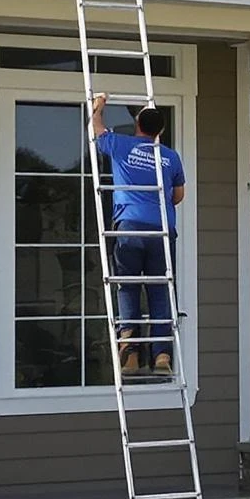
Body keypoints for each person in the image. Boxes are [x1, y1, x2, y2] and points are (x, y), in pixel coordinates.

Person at [88, 94, 185, 378]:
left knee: (128, 287)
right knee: (159, 290)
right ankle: (162, 355)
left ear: (137, 125)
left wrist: (98, 106)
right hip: (162, 231)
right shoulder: (170, 156)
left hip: (130, 227)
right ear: (161, 131)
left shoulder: (121, 145)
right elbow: (178, 195)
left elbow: (95, 129)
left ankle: (130, 353)